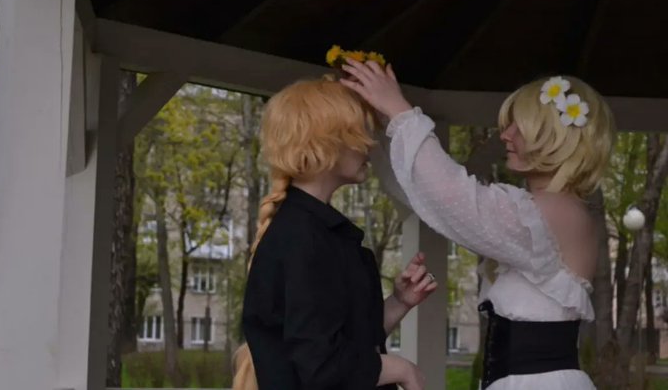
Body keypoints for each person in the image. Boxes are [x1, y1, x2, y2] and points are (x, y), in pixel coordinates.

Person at [340, 61, 615, 390]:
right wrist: (384, 121)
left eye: (519, 127)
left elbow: (451, 196)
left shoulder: (554, 210)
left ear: (554, 137)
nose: (505, 135)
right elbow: (424, 197)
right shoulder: (561, 210)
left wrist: (399, 110)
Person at [233, 78, 438, 390]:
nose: (369, 144)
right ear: (323, 144)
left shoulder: (320, 232)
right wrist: (402, 369)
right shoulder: (302, 238)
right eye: (357, 132)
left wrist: (399, 302)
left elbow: (346, 344)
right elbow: (321, 368)